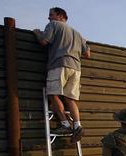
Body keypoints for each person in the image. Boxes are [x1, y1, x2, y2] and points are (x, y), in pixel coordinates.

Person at [33, 7, 90, 143]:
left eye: (51, 15)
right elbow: (87, 54)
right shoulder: (78, 34)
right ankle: (77, 126)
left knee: (53, 94)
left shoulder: (53, 25)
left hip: (59, 64)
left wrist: (37, 33)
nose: (49, 18)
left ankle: (65, 124)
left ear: (60, 16)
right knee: (70, 98)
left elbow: (43, 41)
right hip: (76, 68)